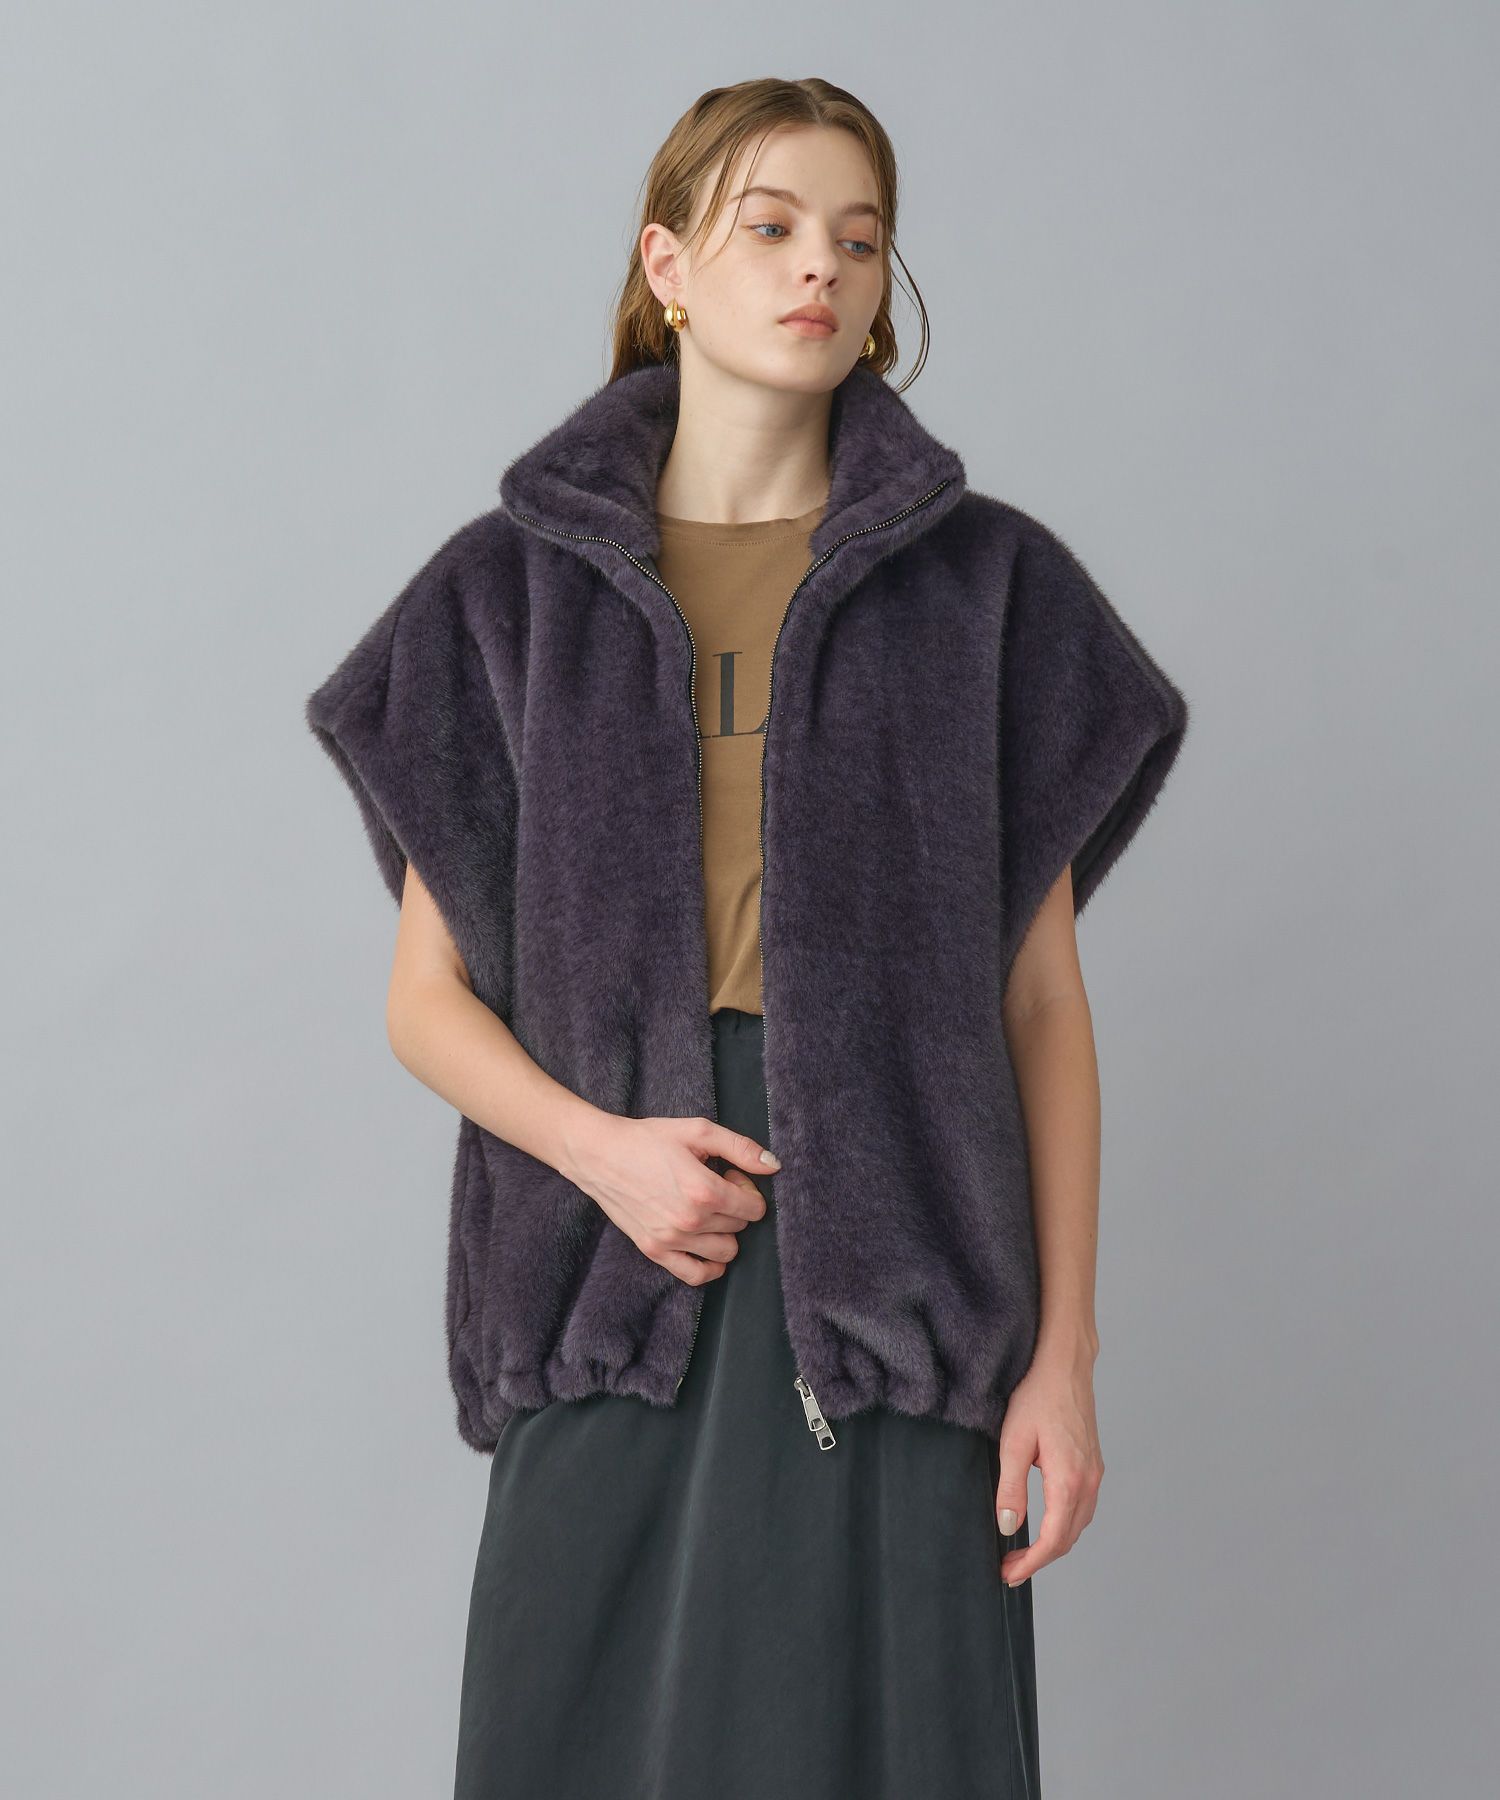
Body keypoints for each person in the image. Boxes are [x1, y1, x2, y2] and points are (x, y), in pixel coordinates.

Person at [305, 76, 1189, 1800]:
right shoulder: (505, 596)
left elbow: (1040, 1007)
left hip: (906, 1269)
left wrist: (1064, 1362)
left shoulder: (991, 594)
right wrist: (605, 1156)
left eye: (859, 240)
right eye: (770, 227)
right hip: (611, 1262)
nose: (820, 271)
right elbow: (425, 1002)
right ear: (668, 267)